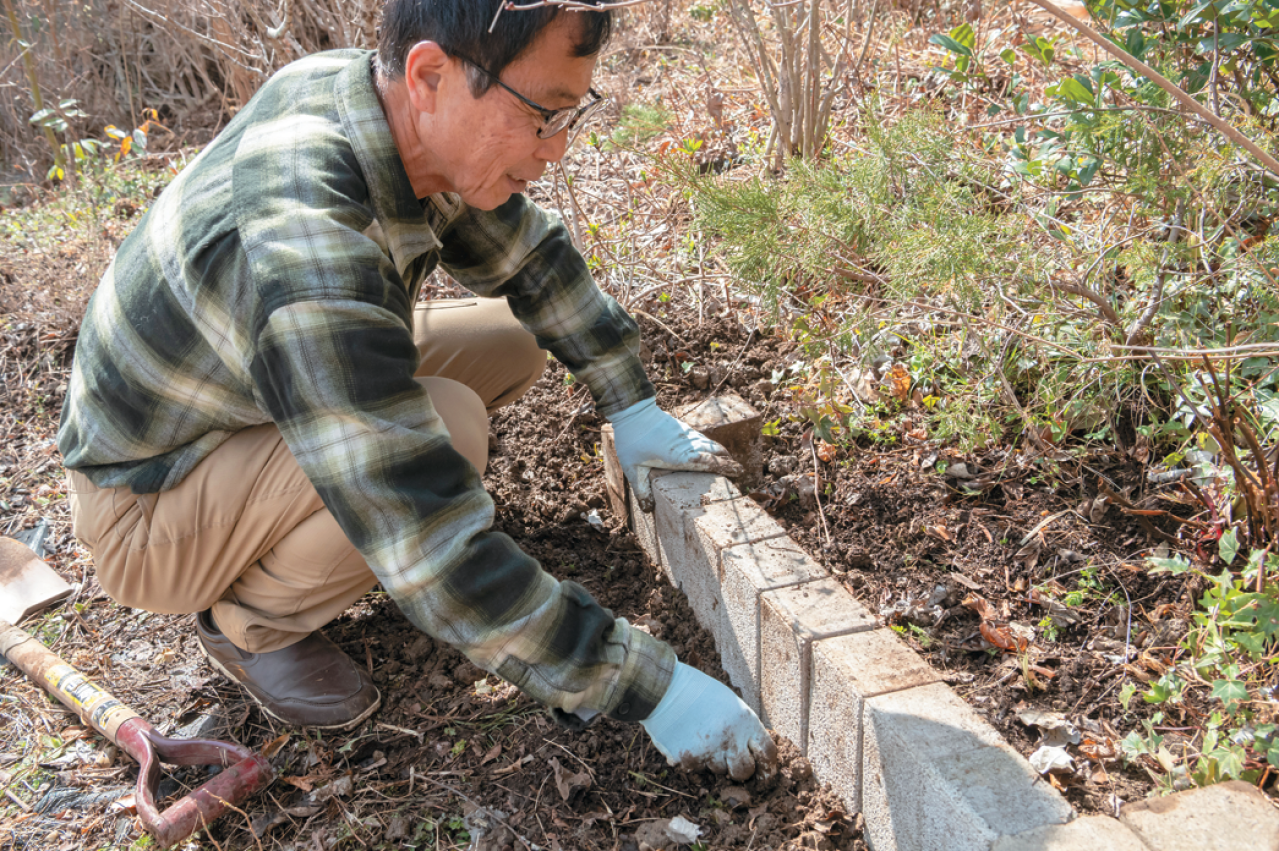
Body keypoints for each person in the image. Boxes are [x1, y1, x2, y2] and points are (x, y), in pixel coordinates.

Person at [58, 0, 776, 781]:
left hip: (242, 392)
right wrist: (647, 685)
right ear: (430, 73)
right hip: (149, 499)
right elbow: (420, 528)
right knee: (448, 428)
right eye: (542, 116)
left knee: (503, 344)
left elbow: (524, 255)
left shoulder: (379, 103)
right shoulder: (300, 236)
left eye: (571, 115)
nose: (558, 149)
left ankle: (279, 552)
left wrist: (629, 402)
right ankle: (250, 623)